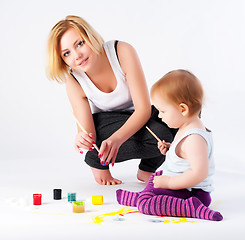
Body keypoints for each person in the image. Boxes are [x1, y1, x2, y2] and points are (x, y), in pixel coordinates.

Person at [46, 15, 175, 185]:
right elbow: (87, 132)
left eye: (80, 43)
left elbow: (143, 110)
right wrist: (82, 138)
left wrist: (118, 139)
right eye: (67, 53)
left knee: (185, 106)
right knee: (161, 135)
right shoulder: (74, 80)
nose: (77, 55)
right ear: (63, 60)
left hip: (138, 116)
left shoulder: (121, 51)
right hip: (106, 126)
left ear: (90, 36)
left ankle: (148, 169)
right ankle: (97, 161)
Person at [116, 70, 223, 221]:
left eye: (163, 111)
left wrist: (170, 183)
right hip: (181, 186)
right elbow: (185, 156)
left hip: (191, 193)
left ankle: (189, 208)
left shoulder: (194, 138)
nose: (159, 115)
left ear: (183, 109)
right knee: (156, 177)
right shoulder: (186, 128)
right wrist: (171, 149)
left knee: (147, 205)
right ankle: (145, 196)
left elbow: (199, 173)